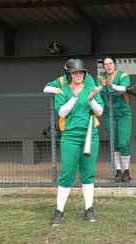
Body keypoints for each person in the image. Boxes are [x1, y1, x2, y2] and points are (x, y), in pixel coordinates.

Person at [44, 59, 104, 226]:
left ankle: (89, 209)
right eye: (75, 72)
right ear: (69, 74)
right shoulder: (62, 90)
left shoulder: (91, 88)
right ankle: (59, 211)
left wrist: (91, 100)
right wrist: (74, 98)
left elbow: (100, 110)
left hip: (90, 136)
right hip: (70, 136)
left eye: (81, 72)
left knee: (88, 172)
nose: (79, 75)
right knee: (67, 174)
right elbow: (62, 112)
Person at [96, 56, 133, 183]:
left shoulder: (123, 75)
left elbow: (125, 89)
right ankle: (118, 170)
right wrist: (102, 85)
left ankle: (126, 170)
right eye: (106, 64)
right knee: (115, 142)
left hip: (123, 112)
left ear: (115, 64)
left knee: (124, 142)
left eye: (110, 63)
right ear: (103, 66)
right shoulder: (100, 76)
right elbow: (97, 90)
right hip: (108, 112)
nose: (108, 66)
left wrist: (112, 85)